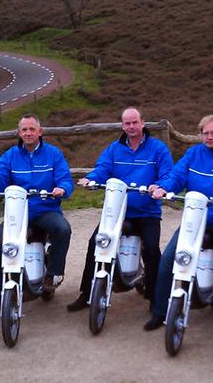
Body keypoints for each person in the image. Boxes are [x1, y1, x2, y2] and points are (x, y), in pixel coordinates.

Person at [143, 114, 213, 329]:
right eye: (205, 133)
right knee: (168, 258)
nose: (209, 137)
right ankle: (159, 311)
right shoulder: (193, 154)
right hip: (195, 218)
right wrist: (165, 187)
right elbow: (177, 176)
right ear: (200, 134)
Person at [67, 107, 173, 313]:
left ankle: (156, 297)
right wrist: (92, 179)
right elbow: (102, 169)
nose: (131, 127)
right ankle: (86, 293)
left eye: (135, 122)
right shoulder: (115, 148)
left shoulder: (158, 149)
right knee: (95, 243)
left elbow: (168, 174)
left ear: (143, 122)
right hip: (117, 211)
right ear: (122, 125)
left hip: (146, 212)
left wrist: (159, 186)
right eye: (127, 123)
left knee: (151, 248)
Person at [0, 114, 74, 313]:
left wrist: (61, 188)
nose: (28, 133)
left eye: (32, 129)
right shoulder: (11, 156)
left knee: (63, 229)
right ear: (19, 133)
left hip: (45, 209)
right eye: (24, 130)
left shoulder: (53, 154)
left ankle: (53, 273)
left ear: (40, 131)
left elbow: (65, 178)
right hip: (17, 213)